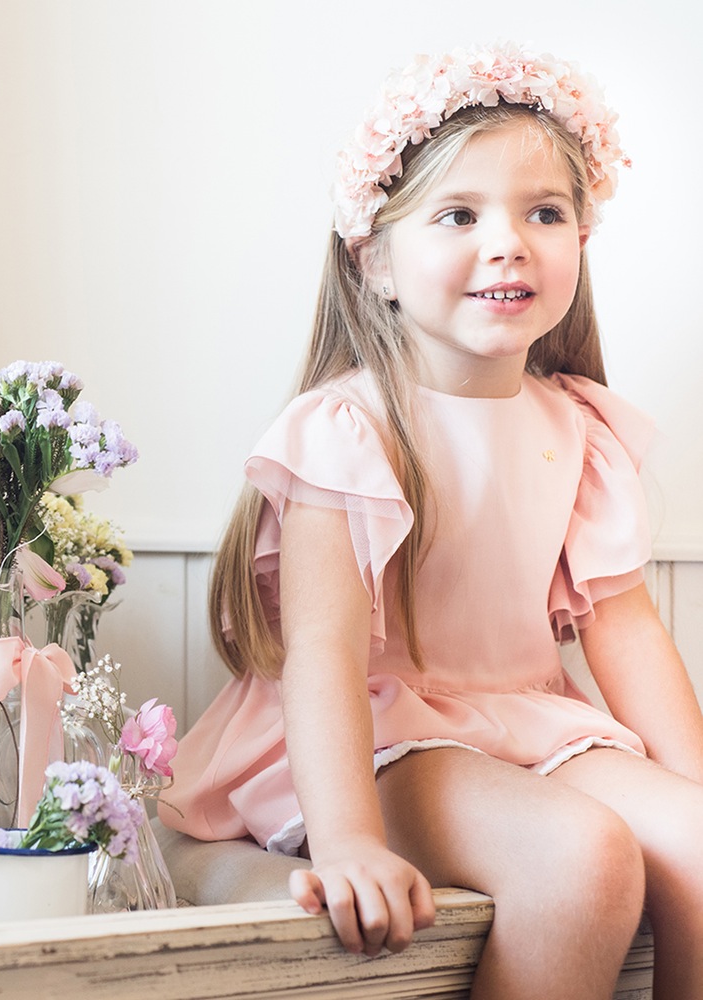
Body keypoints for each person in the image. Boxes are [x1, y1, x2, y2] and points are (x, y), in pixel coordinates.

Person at [157, 43, 703, 999]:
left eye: (545, 213)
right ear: (376, 260)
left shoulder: (581, 431)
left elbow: (627, 633)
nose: (510, 242)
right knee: (582, 860)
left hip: (531, 724)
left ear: (581, 240)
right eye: (459, 215)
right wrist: (349, 840)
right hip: (381, 739)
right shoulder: (348, 430)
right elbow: (322, 656)